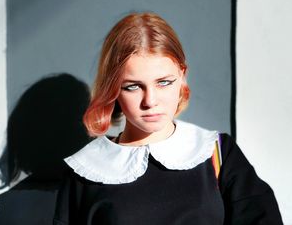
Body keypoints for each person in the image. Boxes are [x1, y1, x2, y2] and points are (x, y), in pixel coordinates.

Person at [53, 12, 283, 224]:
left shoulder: (217, 153)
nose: (150, 101)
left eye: (164, 82)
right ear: (112, 88)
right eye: (133, 87)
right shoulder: (86, 170)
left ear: (182, 76)